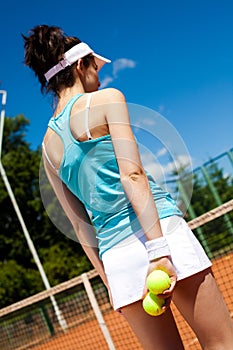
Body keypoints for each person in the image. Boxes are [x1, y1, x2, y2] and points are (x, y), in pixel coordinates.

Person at [23, 25, 233, 349]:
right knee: (221, 342)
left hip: (117, 261)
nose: (100, 77)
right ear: (80, 66)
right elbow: (132, 175)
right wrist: (159, 250)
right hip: (160, 234)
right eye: (96, 67)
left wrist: (112, 284)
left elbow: (81, 226)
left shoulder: (48, 146)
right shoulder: (107, 100)